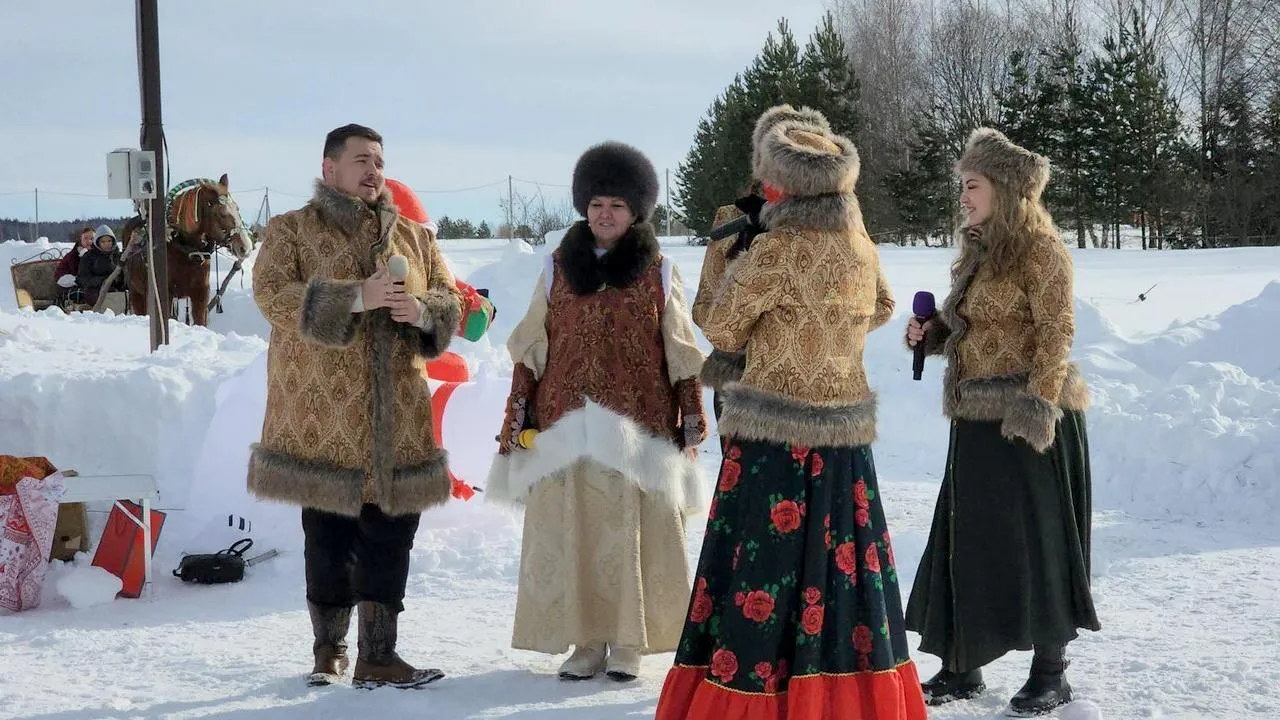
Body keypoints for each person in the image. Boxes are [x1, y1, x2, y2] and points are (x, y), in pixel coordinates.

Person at [656, 105, 927, 720]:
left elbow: (719, 325)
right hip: (843, 434)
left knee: (764, 565)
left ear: (787, 183)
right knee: (845, 570)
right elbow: (884, 305)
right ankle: (848, 698)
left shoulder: (776, 250)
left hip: (774, 434)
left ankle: (753, 700)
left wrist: (735, 263)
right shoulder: (859, 245)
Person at [248, 123, 464, 690]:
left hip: (400, 422)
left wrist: (421, 312)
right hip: (324, 420)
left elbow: (449, 301)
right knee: (328, 538)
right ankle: (328, 651)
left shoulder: (415, 237)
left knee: (392, 536)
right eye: (361, 160)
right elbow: (271, 294)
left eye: (379, 161)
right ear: (329, 169)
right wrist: (353, 297)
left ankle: (378, 656)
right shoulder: (291, 230)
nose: (374, 171)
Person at [486, 141, 708, 682]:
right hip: (566, 424)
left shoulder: (659, 270)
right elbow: (531, 345)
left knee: (630, 533)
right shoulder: (555, 267)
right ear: (584, 206)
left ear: (635, 212)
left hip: (639, 427)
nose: (605, 214)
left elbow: (680, 347)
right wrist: (518, 414)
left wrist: (691, 415)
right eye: (597, 204)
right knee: (578, 531)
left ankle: (629, 643)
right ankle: (586, 643)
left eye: (617, 205)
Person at [903, 127, 1100, 717]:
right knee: (968, 538)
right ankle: (962, 665)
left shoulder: (1042, 249)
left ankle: (1050, 671)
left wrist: (1036, 408)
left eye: (973, 185)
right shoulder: (980, 250)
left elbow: (1056, 333)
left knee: (1037, 544)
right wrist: (933, 332)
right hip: (974, 416)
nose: (963, 195)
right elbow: (972, 324)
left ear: (1006, 189)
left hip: (1030, 420)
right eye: (962, 185)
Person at [76, 225, 123, 306]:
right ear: (97, 242)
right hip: (95, 290)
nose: (107, 244)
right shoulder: (88, 257)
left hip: (117, 290)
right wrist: (102, 281)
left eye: (109, 241)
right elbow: (82, 278)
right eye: (103, 242)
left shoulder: (119, 256)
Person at [55, 227, 95, 304]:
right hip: (74, 287)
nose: (89, 241)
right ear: (80, 240)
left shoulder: (99, 254)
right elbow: (59, 275)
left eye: (92, 238)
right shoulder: (72, 256)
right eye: (85, 238)